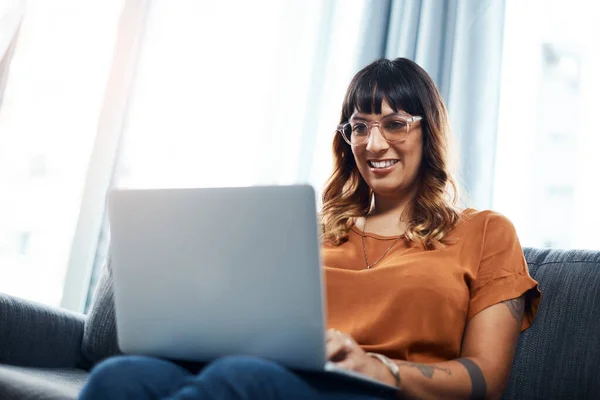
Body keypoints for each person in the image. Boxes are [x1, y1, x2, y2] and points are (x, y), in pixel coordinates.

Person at [79, 57, 541, 400]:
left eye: (396, 123)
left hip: (380, 391)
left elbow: (487, 379)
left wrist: (379, 368)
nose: (374, 143)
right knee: (118, 378)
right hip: (278, 375)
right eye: (360, 127)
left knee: (241, 380)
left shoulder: (486, 232)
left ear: (429, 133)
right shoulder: (312, 230)